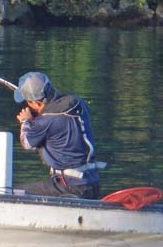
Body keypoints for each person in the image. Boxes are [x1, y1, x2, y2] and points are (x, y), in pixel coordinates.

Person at [13, 71, 102, 199]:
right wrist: (38, 120)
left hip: (69, 186)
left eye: (28, 102)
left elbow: (27, 143)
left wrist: (25, 121)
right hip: (92, 182)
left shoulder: (46, 120)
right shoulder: (78, 103)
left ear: (36, 103)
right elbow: (61, 126)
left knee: (14, 193)